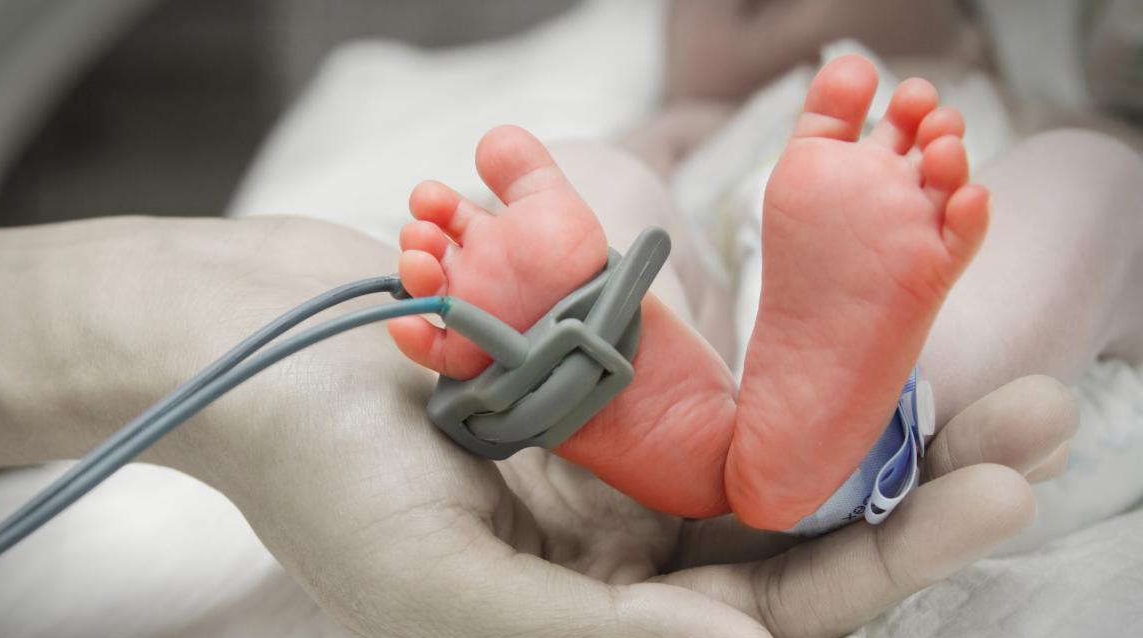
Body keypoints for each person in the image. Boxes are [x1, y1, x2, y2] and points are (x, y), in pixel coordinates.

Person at [0, 213, 1076, 638]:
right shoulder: (705, 115)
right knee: (1087, 186)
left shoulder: (999, 91)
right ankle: (814, 424)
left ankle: (779, 401)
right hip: (734, 282)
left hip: (720, 290)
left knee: (612, 199)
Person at [387, 55, 1143, 536]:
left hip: (912, 264)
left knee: (1094, 174)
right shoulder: (693, 117)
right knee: (588, 174)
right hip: (711, 317)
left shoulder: (1001, 90)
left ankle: (854, 422)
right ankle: (625, 349)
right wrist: (513, 243)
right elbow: (624, 178)